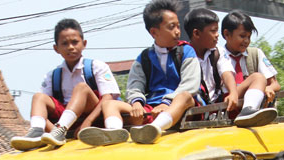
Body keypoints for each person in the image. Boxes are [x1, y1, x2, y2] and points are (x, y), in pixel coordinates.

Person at [78, 0, 201, 146]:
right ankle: (115, 132)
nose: (177, 31)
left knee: (184, 96)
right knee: (109, 105)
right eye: (171, 27)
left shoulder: (186, 51)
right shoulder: (144, 58)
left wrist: (166, 103)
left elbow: (190, 84)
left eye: (178, 26)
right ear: (154, 32)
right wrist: (136, 103)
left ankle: (155, 129)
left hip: (181, 108)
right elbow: (135, 85)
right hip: (152, 108)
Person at [10, 18, 120, 150]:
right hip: (66, 122)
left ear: (84, 43)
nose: (71, 47)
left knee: (81, 88)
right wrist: (53, 131)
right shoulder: (53, 75)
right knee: (38, 97)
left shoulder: (96, 66)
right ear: (56, 48)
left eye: (75, 42)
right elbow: (44, 107)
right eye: (65, 44)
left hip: (93, 115)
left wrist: (88, 122)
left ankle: (60, 130)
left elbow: (108, 98)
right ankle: (37, 132)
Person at [221, 10, 280, 127]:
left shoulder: (255, 54)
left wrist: (267, 88)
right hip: (227, 101)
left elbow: (275, 84)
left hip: (247, 99)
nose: (246, 41)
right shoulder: (218, 55)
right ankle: (247, 111)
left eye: (249, 37)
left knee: (258, 78)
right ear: (227, 34)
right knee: (257, 77)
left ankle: (249, 109)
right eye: (242, 36)